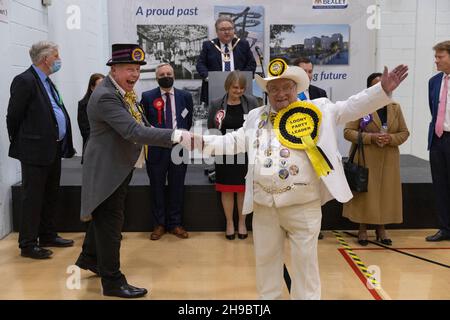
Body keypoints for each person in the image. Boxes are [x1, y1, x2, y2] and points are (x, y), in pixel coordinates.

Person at [194, 59, 408, 299]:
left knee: (305, 270)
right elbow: (232, 142)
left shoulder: (319, 110)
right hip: (264, 207)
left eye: (286, 87)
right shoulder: (256, 116)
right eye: (273, 89)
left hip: (303, 206)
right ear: (267, 92)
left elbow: (351, 107)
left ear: (297, 88)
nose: (281, 93)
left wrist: (382, 90)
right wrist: (196, 141)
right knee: (266, 267)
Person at [74, 44, 191, 298]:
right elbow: (134, 131)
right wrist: (177, 135)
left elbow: (143, 123)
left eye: (138, 69)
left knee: (104, 217)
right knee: (111, 222)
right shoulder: (106, 95)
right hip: (107, 169)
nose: (135, 74)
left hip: (117, 165)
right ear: (114, 70)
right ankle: (113, 282)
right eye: (129, 69)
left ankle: (90, 258)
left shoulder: (122, 92)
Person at [6, 41, 75, 259]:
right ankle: (28, 243)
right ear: (46, 59)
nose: (58, 59)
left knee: (50, 194)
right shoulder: (25, 80)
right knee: (33, 197)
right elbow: (13, 116)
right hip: (34, 150)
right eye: (56, 56)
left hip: (53, 147)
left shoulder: (47, 81)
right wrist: (25, 141)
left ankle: (47, 234)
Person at [342, 72, 410, 246]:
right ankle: (362, 229)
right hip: (366, 157)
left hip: (389, 159)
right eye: (377, 86)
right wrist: (370, 138)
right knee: (366, 195)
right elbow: (347, 132)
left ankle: (382, 229)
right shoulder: (360, 107)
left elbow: (404, 132)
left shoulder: (395, 107)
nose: (382, 88)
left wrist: (391, 139)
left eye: (384, 84)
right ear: (370, 89)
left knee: (385, 195)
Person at [141, 63, 193, 241]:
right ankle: (159, 224)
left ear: (174, 75)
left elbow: (188, 119)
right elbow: (144, 123)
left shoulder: (185, 96)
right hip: (156, 149)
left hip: (179, 147)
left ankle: (175, 223)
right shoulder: (147, 97)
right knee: (156, 187)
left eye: (169, 73)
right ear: (157, 78)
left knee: (177, 186)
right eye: (162, 74)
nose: (166, 76)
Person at [207, 71, 259, 240]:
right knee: (227, 190)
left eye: (242, 88)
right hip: (225, 151)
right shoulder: (216, 104)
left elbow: (258, 125)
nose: (239, 91)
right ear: (228, 86)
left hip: (245, 152)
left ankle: (242, 223)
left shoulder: (251, 102)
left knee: (243, 189)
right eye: (235, 87)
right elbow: (211, 128)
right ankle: (230, 223)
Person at [294, 56, 327, 240]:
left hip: (316, 149)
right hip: (294, 150)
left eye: (310, 71)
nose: (308, 74)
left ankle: (315, 227)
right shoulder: (287, 93)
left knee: (315, 190)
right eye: (304, 71)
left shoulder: (320, 92)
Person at [196, 16, 256, 105]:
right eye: (223, 29)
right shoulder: (208, 46)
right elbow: (200, 64)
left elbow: (251, 64)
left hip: (238, 88)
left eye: (229, 29)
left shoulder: (243, 44)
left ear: (234, 30)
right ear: (217, 32)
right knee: (215, 117)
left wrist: (241, 79)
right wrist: (209, 78)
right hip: (214, 87)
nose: (227, 32)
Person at [426, 40, 450, 242]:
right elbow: (433, 111)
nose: (436, 61)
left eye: (440, 57)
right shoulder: (434, 81)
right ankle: (444, 228)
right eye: (436, 57)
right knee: (440, 185)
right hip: (438, 139)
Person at [77, 73, 105, 163]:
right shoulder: (83, 104)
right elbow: (85, 130)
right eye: (99, 86)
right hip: (93, 148)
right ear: (92, 88)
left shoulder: (110, 103)